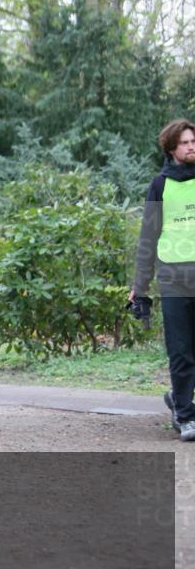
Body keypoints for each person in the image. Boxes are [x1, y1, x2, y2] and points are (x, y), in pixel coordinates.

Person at [130, 118, 195, 442]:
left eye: (193, 141)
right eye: (184, 142)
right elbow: (147, 237)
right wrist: (139, 288)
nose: (191, 146)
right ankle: (185, 416)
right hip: (173, 279)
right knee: (181, 351)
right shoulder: (160, 185)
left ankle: (178, 399)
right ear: (171, 148)